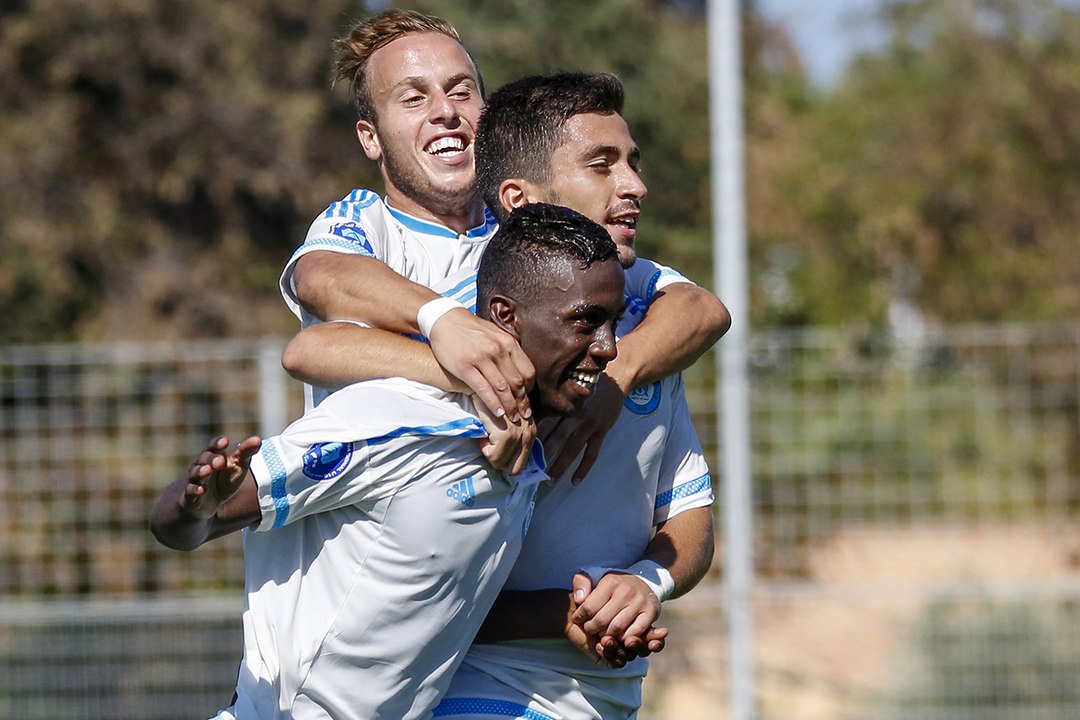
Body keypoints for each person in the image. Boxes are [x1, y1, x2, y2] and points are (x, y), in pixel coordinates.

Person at [291, 72, 719, 718]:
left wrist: (644, 581)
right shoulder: (484, 329)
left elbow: (689, 518)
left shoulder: (643, 324)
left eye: (632, 163)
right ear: (519, 198)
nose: (634, 186)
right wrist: (476, 367)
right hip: (477, 692)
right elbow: (311, 347)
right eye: (602, 166)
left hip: (606, 698)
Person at [149, 204, 628, 720]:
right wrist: (197, 506)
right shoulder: (395, 421)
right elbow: (176, 527)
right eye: (586, 322)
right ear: (505, 318)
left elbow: (444, 609)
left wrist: (570, 615)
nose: (608, 348)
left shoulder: (522, 451)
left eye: (613, 323)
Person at [281, 8, 730, 481]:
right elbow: (320, 281)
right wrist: (450, 333)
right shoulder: (364, 221)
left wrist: (614, 382)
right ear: (370, 138)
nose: (445, 111)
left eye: (461, 91)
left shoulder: (535, 237)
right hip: (352, 535)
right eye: (413, 98)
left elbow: (698, 308)